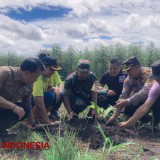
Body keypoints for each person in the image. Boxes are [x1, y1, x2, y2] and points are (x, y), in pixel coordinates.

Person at [0, 58, 44, 137]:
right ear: (27, 73)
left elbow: (27, 102)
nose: (36, 80)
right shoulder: (4, 73)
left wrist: (32, 123)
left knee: (25, 108)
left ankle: (1, 129)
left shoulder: (29, 84)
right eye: (36, 77)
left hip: (3, 108)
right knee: (17, 108)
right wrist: (13, 107)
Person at [107, 56, 153, 125]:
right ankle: (146, 119)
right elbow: (123, 95)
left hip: (154, 100)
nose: (127, 73)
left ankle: (155, 122)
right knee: (128, 109)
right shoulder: (128, 79)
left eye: (129, 70)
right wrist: (114, 117)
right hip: (142, 101)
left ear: (137, 67)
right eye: (126, 71)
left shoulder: (149, 72)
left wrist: (128, 101)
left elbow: (146, 91)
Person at [119, 60, 160, 127]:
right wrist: (128, 123)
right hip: (143, 100)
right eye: (156, 79)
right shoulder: (156, 86)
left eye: (158, 78)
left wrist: (128, 100)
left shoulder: (147, 71)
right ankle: (152, 122)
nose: (156, 81)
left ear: (137, 67)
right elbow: (145, 106)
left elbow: (144, 92)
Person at [32, 56, 63, 124]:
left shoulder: (47, 75)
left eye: (54, 70)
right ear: (44, 67)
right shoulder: (38, 77)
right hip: (31, 101)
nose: (53, 72)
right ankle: (33, 118)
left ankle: (43, 116)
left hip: (39, 98)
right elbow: (38, 101)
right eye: (51, 69)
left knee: (55, 94)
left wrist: (55, 89)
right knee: (49, 96)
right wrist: (48, 122)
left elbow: (49, 88)